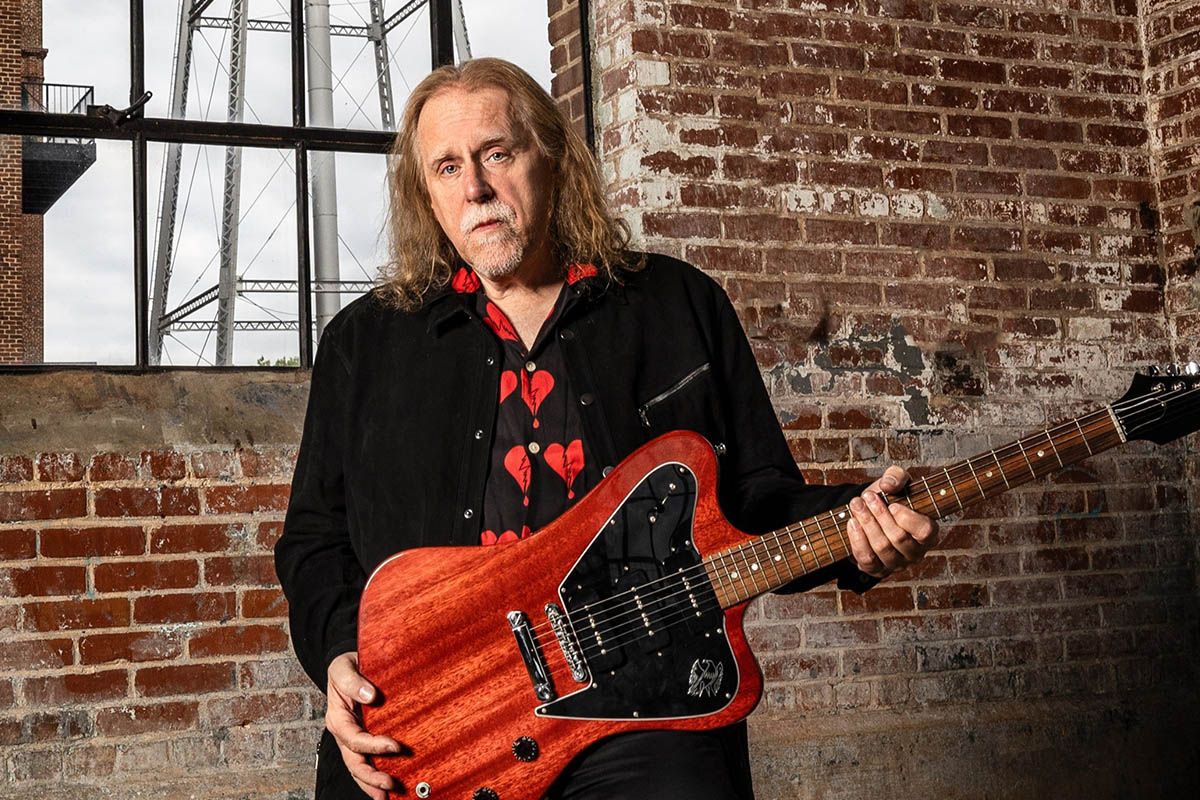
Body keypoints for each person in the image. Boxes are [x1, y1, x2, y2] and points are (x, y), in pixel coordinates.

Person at [275, 58, 938, 800]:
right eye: (448, 167)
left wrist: (855, 529)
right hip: (436, 717)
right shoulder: (363, 345)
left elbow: (754, 496)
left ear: (552, 158)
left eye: (497, 153)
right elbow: (314, 540)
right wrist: (339, 654)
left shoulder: (679, 305)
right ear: (425, 194)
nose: (476, 188)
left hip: (642, 702)